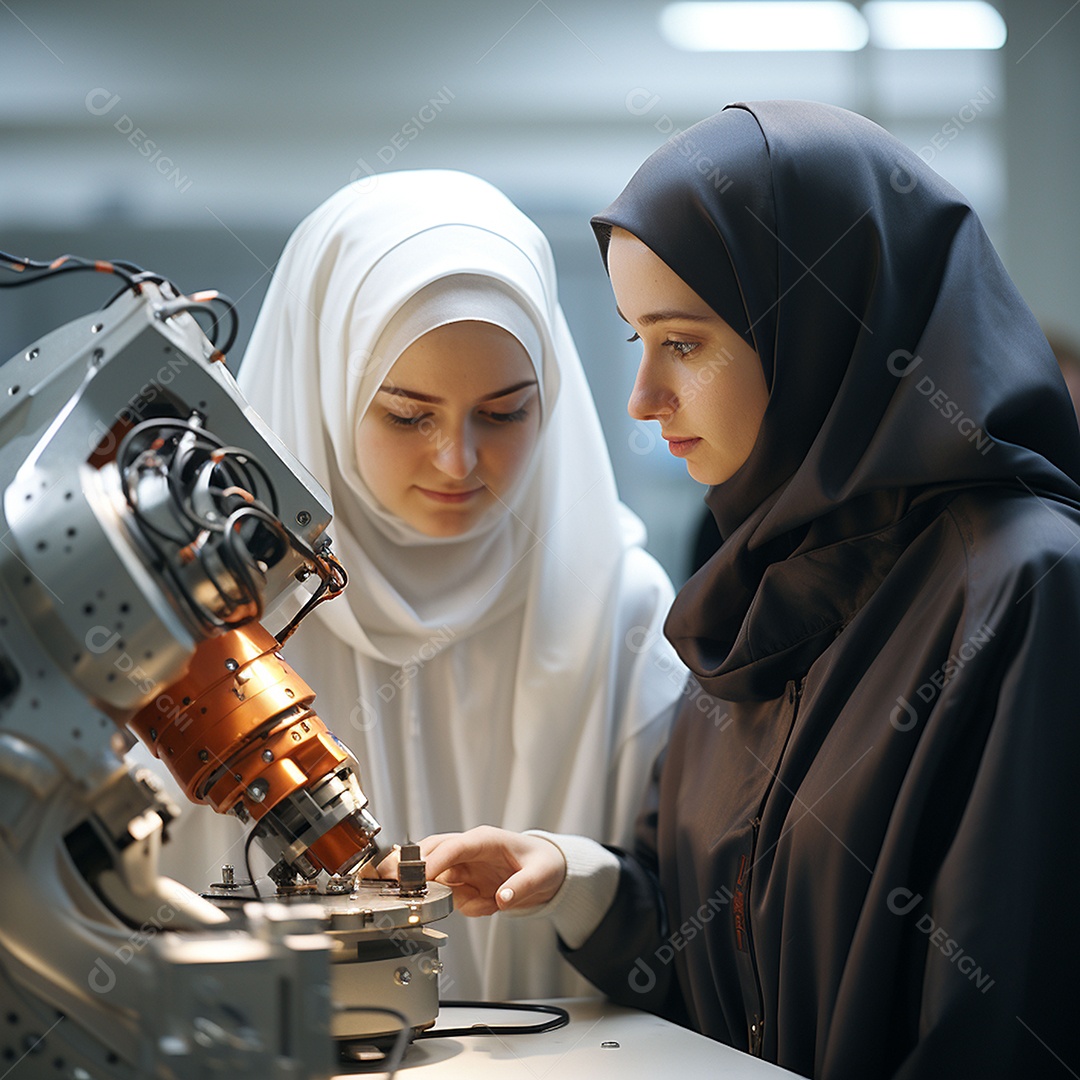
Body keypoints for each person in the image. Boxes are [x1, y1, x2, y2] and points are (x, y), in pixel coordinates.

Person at [409, 102, 1080, 1078]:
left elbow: (1005, 1018)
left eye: (682, 343)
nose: (641, 397)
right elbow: (704, 954)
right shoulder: (747, 592)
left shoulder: (1023, 587)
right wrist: (575, 882)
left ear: (826, 328)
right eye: (636, 338)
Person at [234, 170, 685, 1000]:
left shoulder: (625, 613)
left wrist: (573, 875)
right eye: (408, 416)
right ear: (326, 395)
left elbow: (690, 926)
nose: (459, 461)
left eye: (507, 412)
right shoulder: (219, 619)